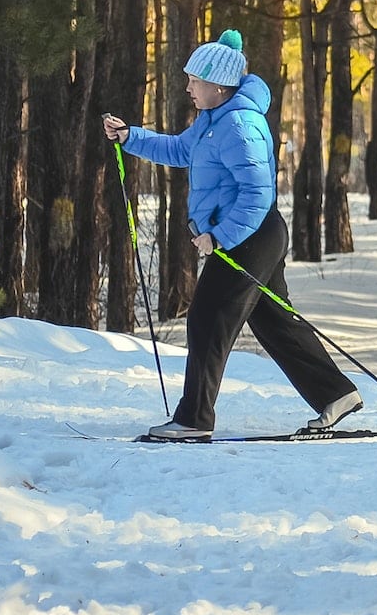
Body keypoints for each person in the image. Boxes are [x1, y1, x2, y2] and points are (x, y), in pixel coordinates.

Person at [101, 30, 361, 441]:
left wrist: (219, 237)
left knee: (207, 319)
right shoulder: (211, 120)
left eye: (194, 80)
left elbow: (258, 193)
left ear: (218, 85)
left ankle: (193, 419)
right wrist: (131, 136)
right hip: (253, 233)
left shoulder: (239, 124)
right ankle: (337, 394)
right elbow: (178, 151)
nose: (187, 87)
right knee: (275, 322)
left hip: (250, 234)